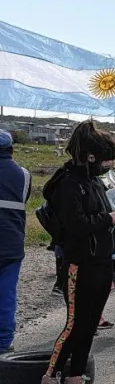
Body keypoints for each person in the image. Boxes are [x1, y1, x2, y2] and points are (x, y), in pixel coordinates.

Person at [34, 122, 115, 384]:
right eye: (107, 160)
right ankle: (47, 383)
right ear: (91, 157)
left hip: (101, 262)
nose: (110, 165)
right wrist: (109, 219)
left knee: (89, 326)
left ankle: (74, 381)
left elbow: (98, 216)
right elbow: (75, 226)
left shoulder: (93, 181)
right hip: (77, 264)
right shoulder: (68, 184)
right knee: (74, 325)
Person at [0, 129, 30, 354]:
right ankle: (3, 343)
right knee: (7, 293)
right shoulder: (24, 175)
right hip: (12, 243)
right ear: (11, 150)